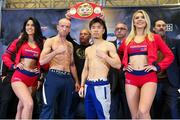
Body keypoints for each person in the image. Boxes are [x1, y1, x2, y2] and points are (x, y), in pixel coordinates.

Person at [118, 10, 174, 119]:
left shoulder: (154, 38)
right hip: (131, 77)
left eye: (142, 17)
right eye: (137, 17)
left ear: (146, 21)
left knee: (143, 112)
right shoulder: (127, 40)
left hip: (148, 77)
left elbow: (170, 55)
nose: (139, 19)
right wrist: (123, 66)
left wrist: (157, 67)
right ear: (133, 22)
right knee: (135, 116)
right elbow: (118, 54)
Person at [2, 17, 45, 119]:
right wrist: (14, 65)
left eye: (32, 25)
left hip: (33, 79)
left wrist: (40, 69)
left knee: (21, 106)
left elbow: (43, 63)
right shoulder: (19, 41)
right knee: (29, 104)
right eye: (27, 25)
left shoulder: (41, 43)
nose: (29, 27)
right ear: (25, 27)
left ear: (36, 27)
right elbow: (5, 56)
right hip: (19, 77)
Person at [78, 17, 121, 119]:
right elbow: (85, 69)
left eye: (98, 27)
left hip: (101, 85)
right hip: (88, 85)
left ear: (103, 30)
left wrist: (105, 56)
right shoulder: (88, 49)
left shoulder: (109, 45)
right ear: (91, 30)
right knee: (89, 116)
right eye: (93, 27)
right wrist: (82, 85)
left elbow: (118, 65)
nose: (96, 30)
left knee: (104, 117)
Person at [39, 18, 80, 119]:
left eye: (67, 27)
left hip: (67, 78)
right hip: (54, 76)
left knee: (66, 109)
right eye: (62, 26)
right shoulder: (50, 41)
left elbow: (72, 64)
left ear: (70, 29)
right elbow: (41, 61)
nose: (64, 29)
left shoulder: (70, 45)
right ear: (58, 27)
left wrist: (77, 81)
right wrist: (55, 52)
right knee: (48, 106)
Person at [151, 19, 180, 118]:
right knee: (155, 110)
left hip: (171, 82)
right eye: (158, 25)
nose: (161, 27)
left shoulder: (175, 43)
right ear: (154, 29)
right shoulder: (148, 44)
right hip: (153, 81)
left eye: (163, 25)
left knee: (173, 109)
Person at [108, 22, 130, 119]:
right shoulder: (109, 45)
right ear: (114, 32)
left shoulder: (132, 44)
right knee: (112, 113)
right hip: (113, 84)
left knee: (128, 112)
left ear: (127, 31)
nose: (119, 30)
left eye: (122, 28)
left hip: (129, 84)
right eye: (117, 29)